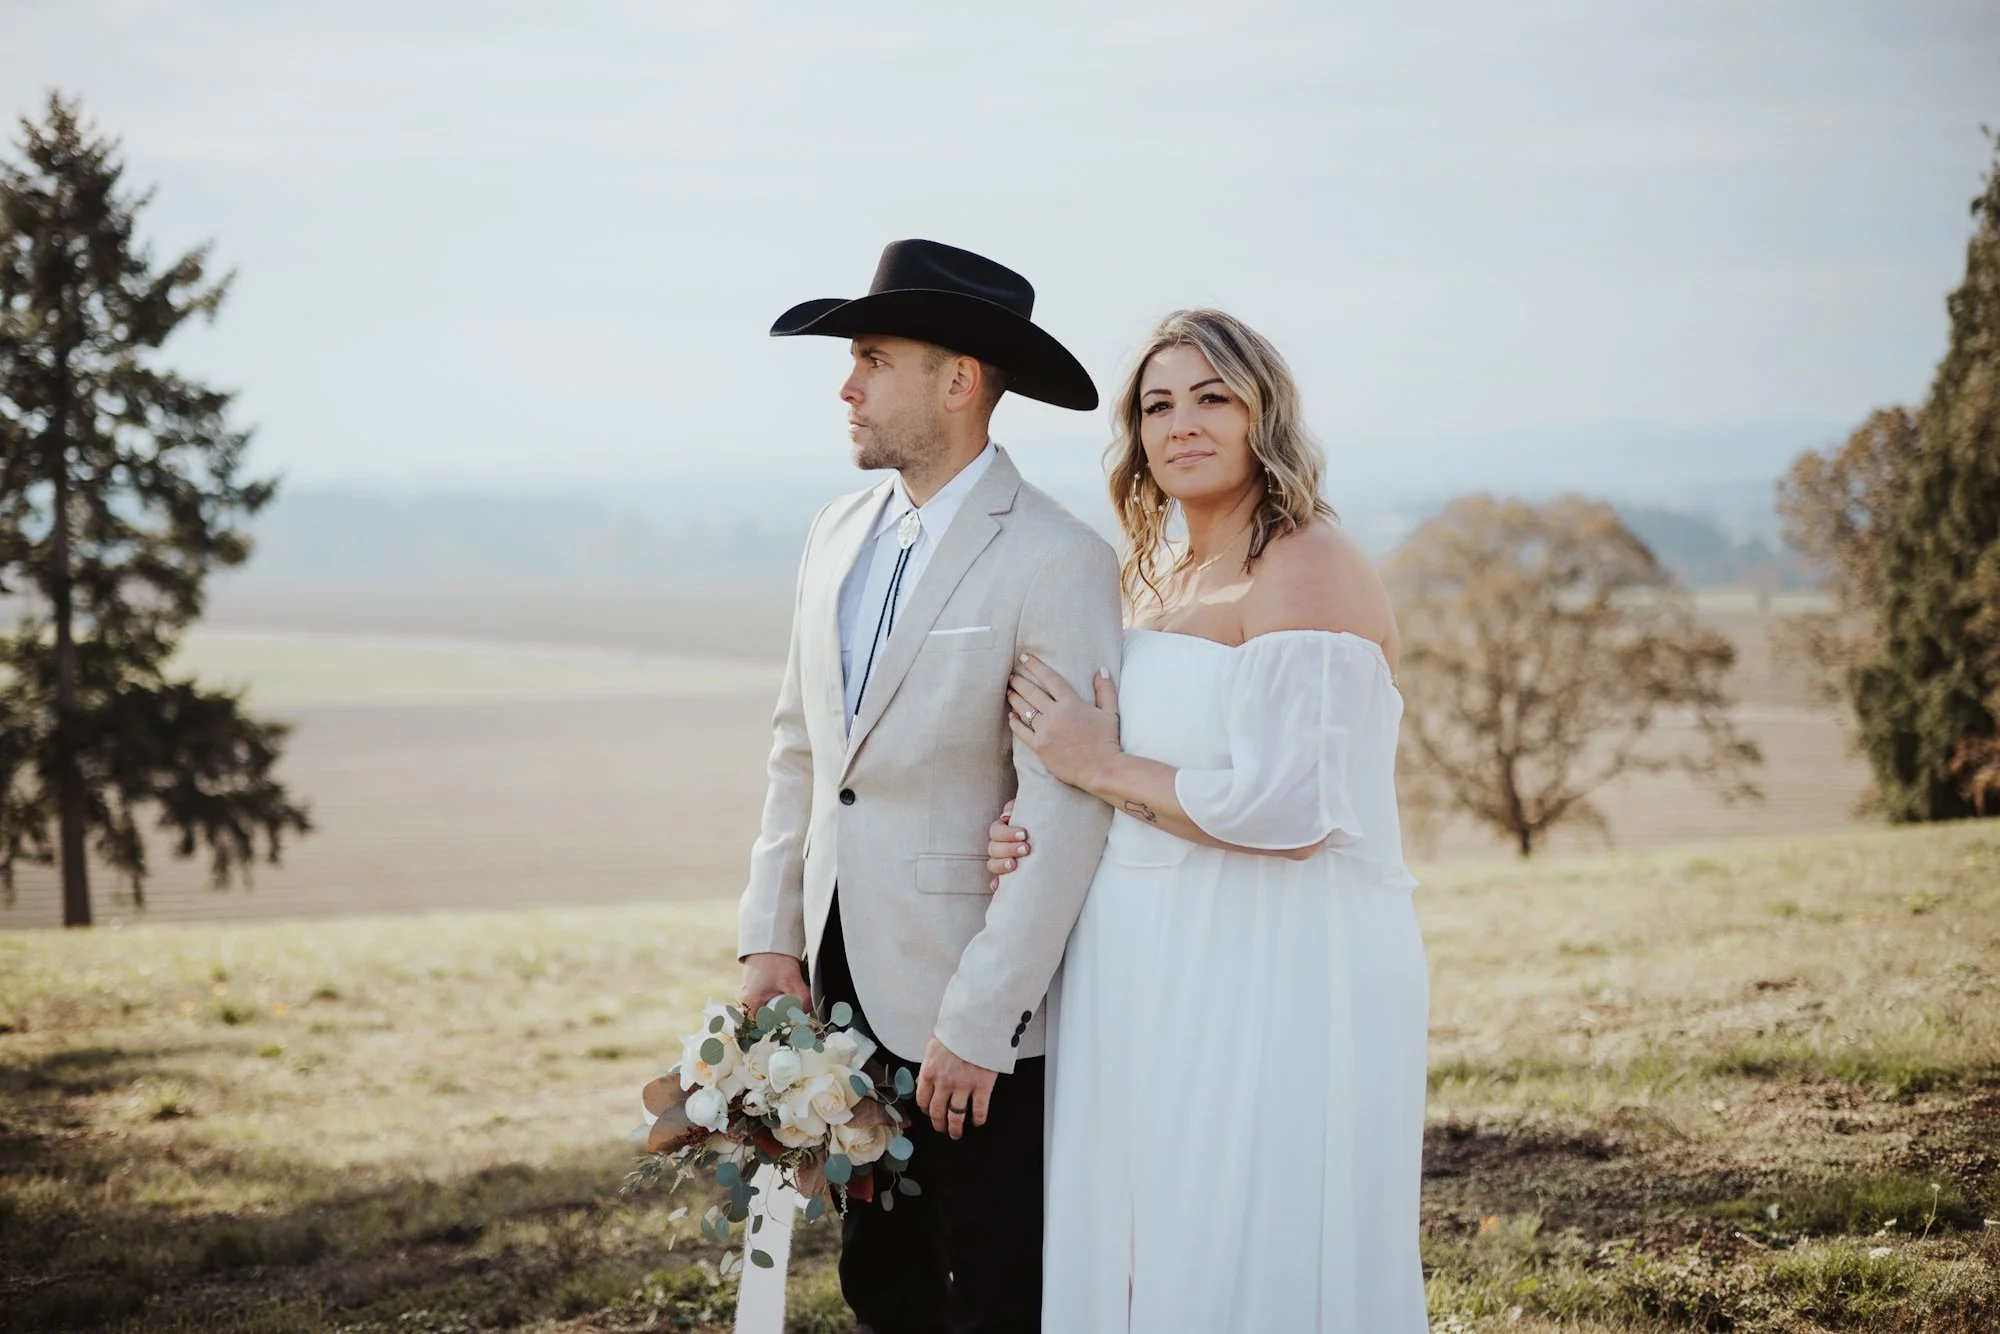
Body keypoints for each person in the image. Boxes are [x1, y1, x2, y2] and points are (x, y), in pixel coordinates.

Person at [985, 309, 1431, 1332]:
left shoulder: (1304, 561)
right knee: (1151, 1236)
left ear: (1260, 413)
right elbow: (1105, 774)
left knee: (1242, 1230)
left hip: (1275, 957)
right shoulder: (1148, 577)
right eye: (1155, 404)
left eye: (1210, 397)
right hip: (1141, 961)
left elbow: (1294, 809)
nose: (1180, 423)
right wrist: (1030, 819)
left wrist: (1096, 761)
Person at [735, 239, 1124, 1334]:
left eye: (869, 356)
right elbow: (798, 748)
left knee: (1000, 1284)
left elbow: (1064, 802)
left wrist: (981, 1016)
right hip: (838, 975)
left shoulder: (1055, 557)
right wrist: (770, 940)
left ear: (957, 379)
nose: (844, 384)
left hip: (975, 1006)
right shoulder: (834, 532)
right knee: (881, 1281)